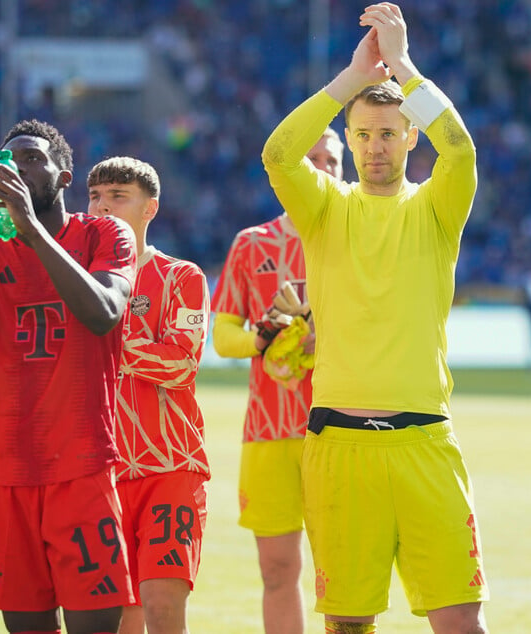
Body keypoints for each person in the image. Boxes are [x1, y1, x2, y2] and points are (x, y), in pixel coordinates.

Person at [261, 4, 488, 632]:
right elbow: (278, 155)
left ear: (411, 135)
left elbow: (460, 146)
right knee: (348, 625)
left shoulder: (438, 211)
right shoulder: (325, 209)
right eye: (361, 134)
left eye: (388, 133)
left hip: (424, 442)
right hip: (338, 445)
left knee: (460, 620)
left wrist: (405, 66)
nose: (374, 146)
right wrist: (347, 83)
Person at [0, 120, 137, 634]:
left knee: (93, 627)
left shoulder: (104, 233)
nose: (18, 169)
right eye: (9, 160)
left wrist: (31, 228)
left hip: (81, 462)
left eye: (33, 159)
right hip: (5, 470)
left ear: (64, 178)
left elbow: (104, 310)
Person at [211, 127, 344, 634]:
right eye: (309, 160)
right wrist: (264, 339)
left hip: (339, 427)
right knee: (277, 570)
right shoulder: (252, 244)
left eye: (330, 160)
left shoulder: (357, 238)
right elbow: (223, 335)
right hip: (268, 432)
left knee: (343, 573)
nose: (319, 169)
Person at [86, 157, 210, 634]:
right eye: (95, 196)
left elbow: (180, 363)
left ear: (149, 209)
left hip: (170, 470)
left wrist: (110, 333)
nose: (102, 206)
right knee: (118, 617)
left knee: (162, 610)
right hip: (99, 472)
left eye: (118, 196)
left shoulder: (183, 277)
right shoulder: (76, 282)